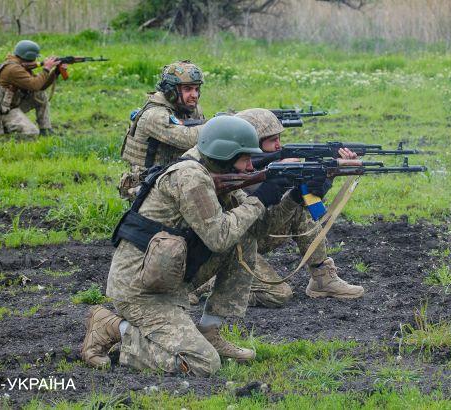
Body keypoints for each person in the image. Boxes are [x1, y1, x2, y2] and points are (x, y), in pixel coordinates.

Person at [81, 116, 307, 376]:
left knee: (242, 235)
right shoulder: (190, 177)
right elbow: (219, 236)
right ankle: (113, 327)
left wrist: (295, 198)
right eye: (245, 158)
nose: (249, 167)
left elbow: (256, 229)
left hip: (168, 277)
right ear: (225, 155)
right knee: (203, 364)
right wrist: (258, 201)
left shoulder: (216, 169)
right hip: (140, 289)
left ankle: (210, 330)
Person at [191, 108, 364, 307]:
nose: (279, 145)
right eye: (272, 139)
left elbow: (297, 202)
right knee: (279, 295)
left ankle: (322, 277)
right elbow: (238, 226)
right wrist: (272, 185)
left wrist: (323, 177)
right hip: (232, 244)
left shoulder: (268, 167)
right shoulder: (225, 174)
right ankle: (211, 283)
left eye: (279, 138)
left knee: (301, 206)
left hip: (257, 233)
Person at [118, 60, 205, 200]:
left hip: (171, 175)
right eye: (188, 89)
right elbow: (190, 139)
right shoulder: (155, 115)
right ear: (171, 91)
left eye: (196, 89)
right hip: (147, 186)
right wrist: (221, 125)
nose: (194, 95)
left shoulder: (188, 108)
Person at [0, 40, 65, 135]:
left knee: (40, 95)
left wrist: (56, 72)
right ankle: (7, 128)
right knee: (32, 132)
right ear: (29, 56)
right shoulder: (14, 69)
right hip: (3, 112)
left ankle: (45, 130)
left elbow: (40, 86)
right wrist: (46, 68)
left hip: (13, 105)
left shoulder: (20, 65)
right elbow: (35, 85)